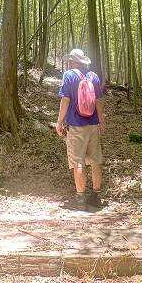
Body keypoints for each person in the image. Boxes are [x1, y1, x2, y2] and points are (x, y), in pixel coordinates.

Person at [56, 48, 105, 209]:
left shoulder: (69, 75)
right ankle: (96, 197)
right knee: (95, 161)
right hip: (93, 125)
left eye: (70, 60)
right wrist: (101, 121)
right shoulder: (94, 76)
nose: (69, 62)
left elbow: (65, 100)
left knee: (78, 162)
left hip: (76, 126)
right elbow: (98, 101)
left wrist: (59, 121)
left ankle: (81, 199)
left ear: (73, 61)